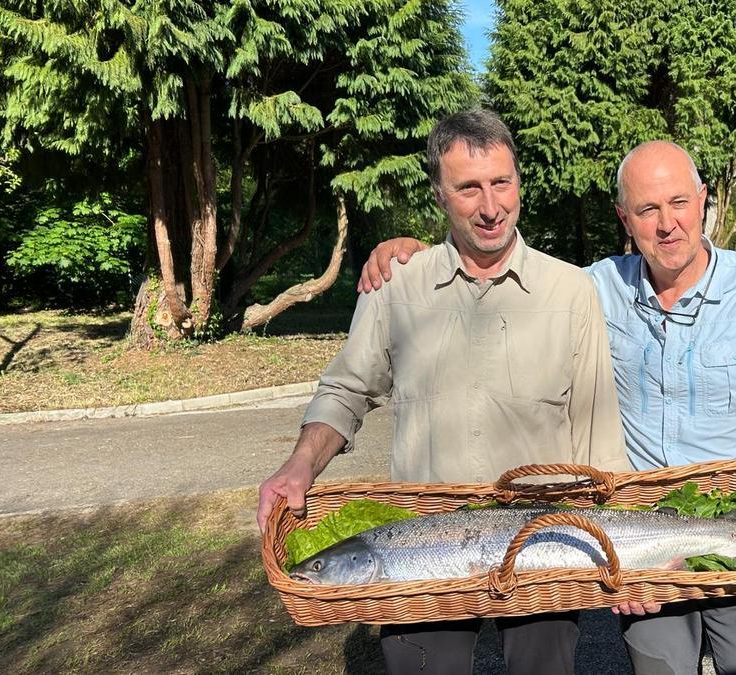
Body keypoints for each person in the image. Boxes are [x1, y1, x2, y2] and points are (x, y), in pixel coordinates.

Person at [359, 140, 736, 675]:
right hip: (640, 543)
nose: (668, 224)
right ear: (625, 218)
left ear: (704, 200)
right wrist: (418, 253)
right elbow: (503, 272)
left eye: (680, 203)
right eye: (647, 209)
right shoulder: (593, 288)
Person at [257, 108, 630, 675]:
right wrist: (300, 463)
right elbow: (347, 388)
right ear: (439, 194)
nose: (490, 206)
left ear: (519, 182)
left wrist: (624, 546)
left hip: (539, 539)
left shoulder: (571, 290)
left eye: (502, 183)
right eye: (468, 188)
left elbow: (597, 428)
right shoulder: (395, 284)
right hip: (418, 545)